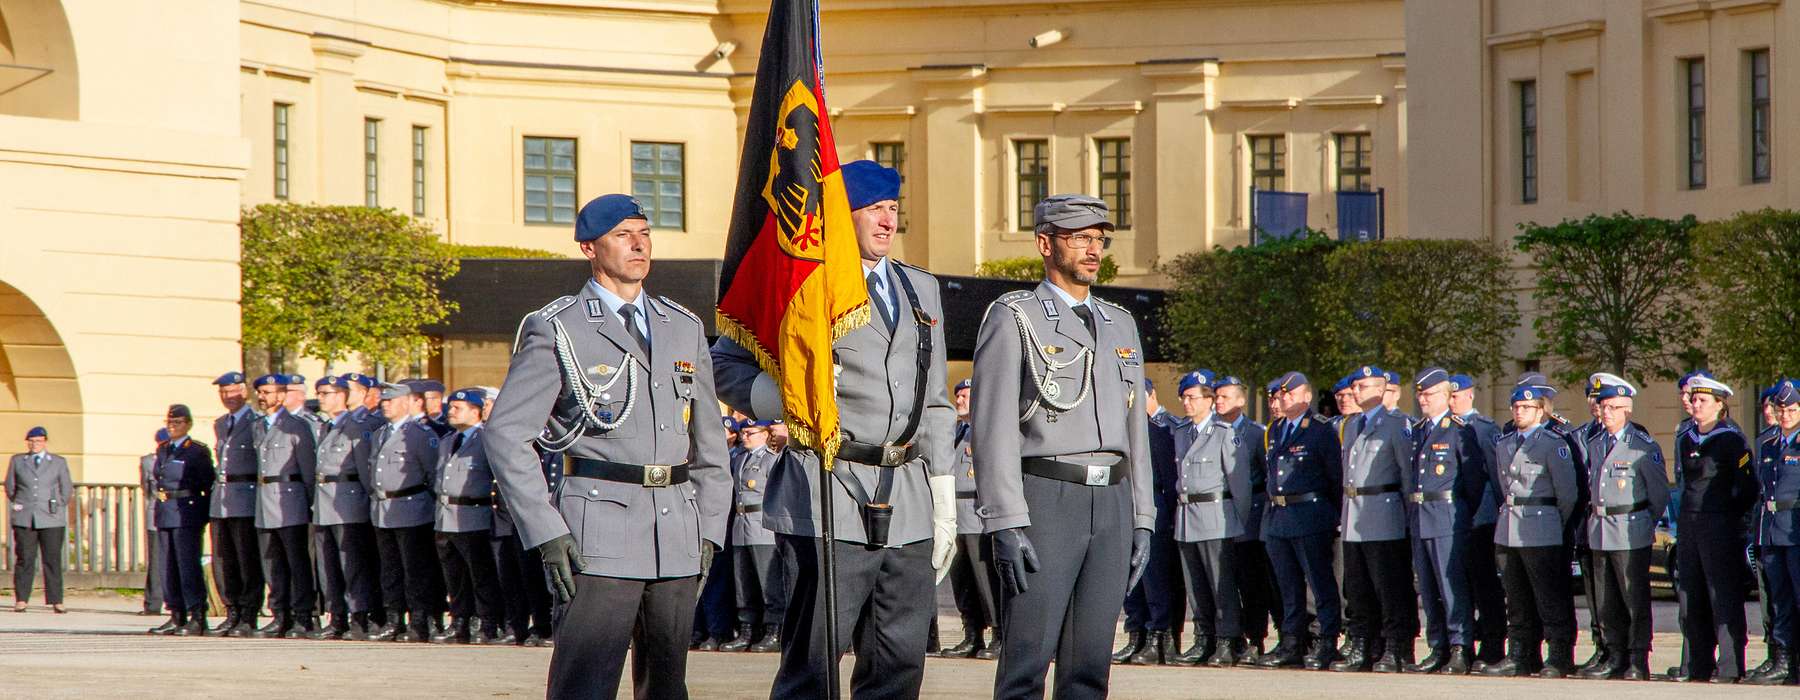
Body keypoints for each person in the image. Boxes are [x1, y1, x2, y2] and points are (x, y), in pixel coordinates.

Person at [713, 161, 956, 699]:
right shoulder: (800, 284)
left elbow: (935, 399)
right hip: (828, 484)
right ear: (841, 219)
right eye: (873, 209)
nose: (887, 221)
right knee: (814, 662)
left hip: (908, 493)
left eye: (893, 209)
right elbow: (725, 366)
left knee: (898, 662)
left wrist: (943, 495)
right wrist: (796, 393)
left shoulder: (920, 289)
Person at [486, 193, 730, 699]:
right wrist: (545, 529)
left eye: (644, 233)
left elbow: (709, 441)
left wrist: (710, 526)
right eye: (622, 235)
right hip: (598, 534)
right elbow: (507, 434)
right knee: (585, 684)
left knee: (667, 686)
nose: (638, 245)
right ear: (589, 248)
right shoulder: (557, 326)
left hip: (679, 530)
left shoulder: (681, 326)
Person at [970, 193, 1153, 699]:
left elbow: (1135, 430)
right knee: (1027, 664)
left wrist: (1142, 517)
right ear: (1045, 244)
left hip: (1112, 502)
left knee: (1091, 667)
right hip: (1046, 499)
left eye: (1098, 239)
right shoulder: (1015, 317)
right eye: (1080, 239)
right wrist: (1005, 519)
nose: (1093, 251)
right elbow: (992, 427)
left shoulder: (1122, 323)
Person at [1481, 385, 1579, 678]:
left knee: (1549, 596)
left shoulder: (1552, 442)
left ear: (1541, 411)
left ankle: (1559, 655)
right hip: (1509, 526)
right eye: (1516, 407)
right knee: (1517, 596)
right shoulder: (1505, 443)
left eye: (1526, 408)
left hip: (1542, 525)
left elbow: (1568, 494)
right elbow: (1502, 485)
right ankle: (1522, 654)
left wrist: (1554, 523)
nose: (1519, 412)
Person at [1580, 380, 1669, 680]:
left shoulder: (1642, 446)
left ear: (1627, 411)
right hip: (1600, 530)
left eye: (1612, 408)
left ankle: (1637, 657)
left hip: (1630, 530)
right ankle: (1614, 653)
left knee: (1634, 598)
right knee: (1606, 599)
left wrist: (1645, 522)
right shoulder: (1595, 443)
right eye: (1603, 407)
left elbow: (1658, 495)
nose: (1605, 412)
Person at [1255, 372, 1343, 670]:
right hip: (1280, 518)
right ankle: (1292, 642)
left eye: (1289, 394)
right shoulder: (1277, 429)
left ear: (1306, 396)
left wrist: (1332, 516)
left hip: (1310, 515)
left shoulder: (1320, 430)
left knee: (1320, 585)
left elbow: (1334, 476)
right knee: (1288, 588)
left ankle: (1327, 641)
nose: (1283, 399)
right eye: (1281, 395)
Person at [1333, 366, 1417, 673]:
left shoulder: (1397, 424)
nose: (1357, 392)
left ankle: (1397, 646)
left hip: (1384, 512)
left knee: (1390, 585)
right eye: (1355, 386)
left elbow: (1407, 475)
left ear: (1382, 390)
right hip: (1354, 512)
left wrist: (1407, 519)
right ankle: (1363, 644)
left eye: (1365, 386)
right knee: (1357, 586)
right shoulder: (1352, 424)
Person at [1672, 376, 1756, 682]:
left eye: (1703, 400)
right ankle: (1698, 664)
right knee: (1690, 595)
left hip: (1720, 524)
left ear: (1720, 405)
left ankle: (1731, 665)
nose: (1695, 405)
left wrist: (1728, 518)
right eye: (1693, 400)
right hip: (1690, 524)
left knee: (1722, 596)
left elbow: (1747, 487)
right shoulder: (1686, 437)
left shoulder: (1731, 439)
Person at [1407, 367, 1489, 674]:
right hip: (1420, 517)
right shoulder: (1418, 431)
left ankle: (1460, 647)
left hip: (1448, 518)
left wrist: (1462, 516)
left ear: (1445, 395)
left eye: (1429, 394)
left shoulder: (1458, 430)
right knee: (1428, 588)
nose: (1423, 399)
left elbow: (1475, 482)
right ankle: (1438, 646)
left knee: (1451, 586)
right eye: (1420, 394)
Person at [1170, 370, 1252, 667]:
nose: (1186, 403)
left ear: (1208, 400)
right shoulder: (1181, 432)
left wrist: (1235, 523)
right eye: (1184, 397)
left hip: (1217, 517)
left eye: (1192, 397)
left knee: (1221, 585)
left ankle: (1227, 640)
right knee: (1196, 586)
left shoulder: (1223, 433)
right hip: (1187, 517)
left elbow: (1240, 485)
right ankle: (1203, 638)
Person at [363, 381, 444, 643]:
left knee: (415, 569)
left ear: (407, 403)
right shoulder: (379, 434)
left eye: (391, 400)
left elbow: (433, 474)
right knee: (390, 570)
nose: (385, 404)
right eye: (383, 401)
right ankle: (394, 619)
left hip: (412, 508)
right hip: (383, 510)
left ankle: (420, 620)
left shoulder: (419, 434)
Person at [429, 388, 505, 645]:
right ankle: (460, 622)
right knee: (454, 576)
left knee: (480, 575)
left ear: (476, 411)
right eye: (450, 407)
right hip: (445, 517)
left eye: (457, 408)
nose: (450, 411)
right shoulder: (448, 441)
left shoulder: (486, 440)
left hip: (474, 516)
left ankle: (488, 623)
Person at [1120, 376, 1186, 666]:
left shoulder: (1161, 429)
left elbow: (1166, 480)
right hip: (1129, 508)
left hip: (1156, 510)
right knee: (1132, 579)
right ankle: (1138, 635)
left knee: (1158, 578)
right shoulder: (1123, 429)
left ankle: (1161, 637)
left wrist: (1170, 518)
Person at [249, 373, 320, 638]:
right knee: (273, 562)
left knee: (296, 562)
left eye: (268, 392)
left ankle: (303, 616)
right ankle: (280, 614)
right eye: (260, 392)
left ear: (281, 395)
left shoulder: (296, 425)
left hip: (290, 500)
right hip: (265, 500)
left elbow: (308, 469)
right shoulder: (258, 426)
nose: (262, 397)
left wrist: (311, 503)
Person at [311, 375, 380, 641]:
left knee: (351, 563)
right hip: (324, 501)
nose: (321, 398)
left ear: (342, 395)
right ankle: (336, 614)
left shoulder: (360, 425)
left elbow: (365, 473)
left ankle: (359, 615)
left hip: (348, 503)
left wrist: (367, 505)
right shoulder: (326, 426)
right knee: (328, 564)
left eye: (326, 393)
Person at [1212, 375, 1274, 663]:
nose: (1219, 401)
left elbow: (1266, 476)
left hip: (1249, 517)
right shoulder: (1209, 431)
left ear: (1240, 399)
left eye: (1225, 396)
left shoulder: (1255, 433)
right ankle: (1227, 637)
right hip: (1218, 516)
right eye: (1216, 396)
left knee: (1252, 583)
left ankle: (1255, 638)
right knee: (1225, 580)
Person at [1449, 373, 1507, 670]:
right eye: (1449, 395)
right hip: (1456, 518)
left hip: (1482, 518)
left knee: (1485, 585)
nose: (1452, 401)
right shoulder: (1445, 429)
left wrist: (1497, 512)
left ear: (1470, 395)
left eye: (1456, 396)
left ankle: (1493, 643)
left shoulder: (1483, 429)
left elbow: (1496, 476)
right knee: (1461, 583)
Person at [942, 379, 1002, 660]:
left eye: (965, 395)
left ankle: (1000, 635)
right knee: (962, 580)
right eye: (958, 396)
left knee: (985, 579)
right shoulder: (957, 431)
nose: (960, 400)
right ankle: (972, 635)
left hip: (978, 515)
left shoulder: (989, 431)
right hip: (956, 515)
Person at [721, 420, 791, 654]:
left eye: (750, 433)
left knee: (767, 583)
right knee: (743, 583)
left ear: (764, 434)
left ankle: (774, 630)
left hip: (762, 526)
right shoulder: (740, 459)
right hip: (741, 525)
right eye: (743, 433)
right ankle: (747, 630)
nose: (744, 437)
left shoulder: (771, 459)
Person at [148, 405, 215, 636]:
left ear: (187, 424)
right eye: (169, 422)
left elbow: (207, 484)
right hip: (166, 511)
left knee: (187, 566)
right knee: (168, 566)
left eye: (176, 422)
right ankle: (176, 613)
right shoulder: (164, 449)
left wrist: (201, 515)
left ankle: (197, 614)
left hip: (187, 511)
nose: (172, 426)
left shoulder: (196, 451)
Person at [1751, 381, 1800, 685]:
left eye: (1792, 410)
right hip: (1771, 531)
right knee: (1779, 599)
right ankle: (1784, 659)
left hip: (1796, 531)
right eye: (1781, 409)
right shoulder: (1768, 445)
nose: (1784, 415)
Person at [209, 371, 264, 636]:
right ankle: (231, 610)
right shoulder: (220, 423)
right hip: (222, 498)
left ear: (244, 391)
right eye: (223, 392)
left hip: (245, 495)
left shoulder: (256, 421)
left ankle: (248, 612)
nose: (227, 397)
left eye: (232, 391)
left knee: (246, 558)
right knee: (224, 559)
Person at [7, 427, 72, 613]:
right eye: (31, 441)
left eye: (38, 441)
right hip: (25, 516)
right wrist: (22, 503)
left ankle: (56, 600)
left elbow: (66, 488)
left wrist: (57, 503)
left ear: (45, 442)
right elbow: (11, 487)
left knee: (52, 559)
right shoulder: (18, 460)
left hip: (51, 517)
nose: (34, 444)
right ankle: (21, 599)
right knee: (25, 559)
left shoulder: (58, 462)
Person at [138, 428, 168, 617]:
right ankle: (153, 603)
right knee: (156, 561)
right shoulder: (149, 462)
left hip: (176, 513)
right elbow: (145, 487)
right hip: (155, 514)